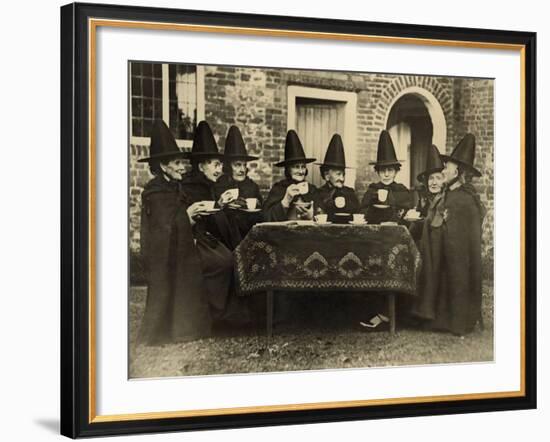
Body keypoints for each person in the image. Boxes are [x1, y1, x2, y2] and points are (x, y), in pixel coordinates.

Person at [137, 120, 214, 345]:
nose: (183, 167)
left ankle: (186, 328)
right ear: (163, 166)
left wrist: (191, 216)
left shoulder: (174, 187)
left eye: (182, 162)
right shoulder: (156, 191)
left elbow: (176, 219)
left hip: (179, 248)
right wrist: (187, 216)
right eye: (177, 163)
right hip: (162, 254)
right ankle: (173, 330)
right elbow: (162, 228)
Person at [412, 133, 485, 336]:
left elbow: (460, 235)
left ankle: (455, 319)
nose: (444, 169)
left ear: (458, 171)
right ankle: (437, 315)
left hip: (459, 258)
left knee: (454, 273)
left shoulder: (464, 199)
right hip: (445, 252)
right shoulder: (449, 194)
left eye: (448, 166)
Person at [179, 121, 249, 324]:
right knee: (223, 262)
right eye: (215, 165)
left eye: (220, 165)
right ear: (201, 166)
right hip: (193, 240)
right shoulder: (188, 186)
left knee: (233, 256)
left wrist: (224, 205)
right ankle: (215, 313)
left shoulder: (213, 185)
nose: (219, 170)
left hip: (211, 237)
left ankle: (228, 312)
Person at [214, 125, 264, 238]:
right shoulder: (219, 185)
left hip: (248, 235)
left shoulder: (252, 186)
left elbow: (262, 215)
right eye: (237, 165)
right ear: (228, 166)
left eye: (244, 165)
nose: (242, 170)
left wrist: (257, 203)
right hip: (224, 237)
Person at [263, 130, 319, 221]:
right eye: (296, 167)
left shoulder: (312, 190)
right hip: (284, 234)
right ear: (288, 169)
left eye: (303, 167)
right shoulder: (279, 188)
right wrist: (286, 200)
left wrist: (312, 215)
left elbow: (323, 215)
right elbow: (266, 217)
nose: (301, 171)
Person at [360, 130, 414, 224]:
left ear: (396, 172)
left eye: (390, 170)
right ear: (377, 172)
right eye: (382, 170)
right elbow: (363, 214)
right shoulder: (372, 190)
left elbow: (408, 215)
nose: (386, 174)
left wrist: (397, 220)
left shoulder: (401, 190)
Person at [315, 134, 360, 222]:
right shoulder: (319, 194)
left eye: (343, 174)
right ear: (327, 175)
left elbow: (358, 215)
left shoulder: (350, 194)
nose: (342, 179)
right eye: (338, 174)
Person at [406, 144, 445, 242]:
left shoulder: (447, 198)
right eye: (431, 178)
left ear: (444, 181)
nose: (434, 182)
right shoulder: (424, 199)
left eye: (438, 178)